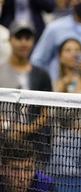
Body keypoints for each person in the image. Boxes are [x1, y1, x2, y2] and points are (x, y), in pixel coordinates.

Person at [0, 20, 52, 167]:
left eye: (27, 38)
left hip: (34, 143)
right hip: (3, 140)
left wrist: (26, 129)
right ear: (10, 40)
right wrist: (6, 126)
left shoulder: (41, 75)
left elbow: (45, 112)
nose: (23, 42)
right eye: (19, 37)